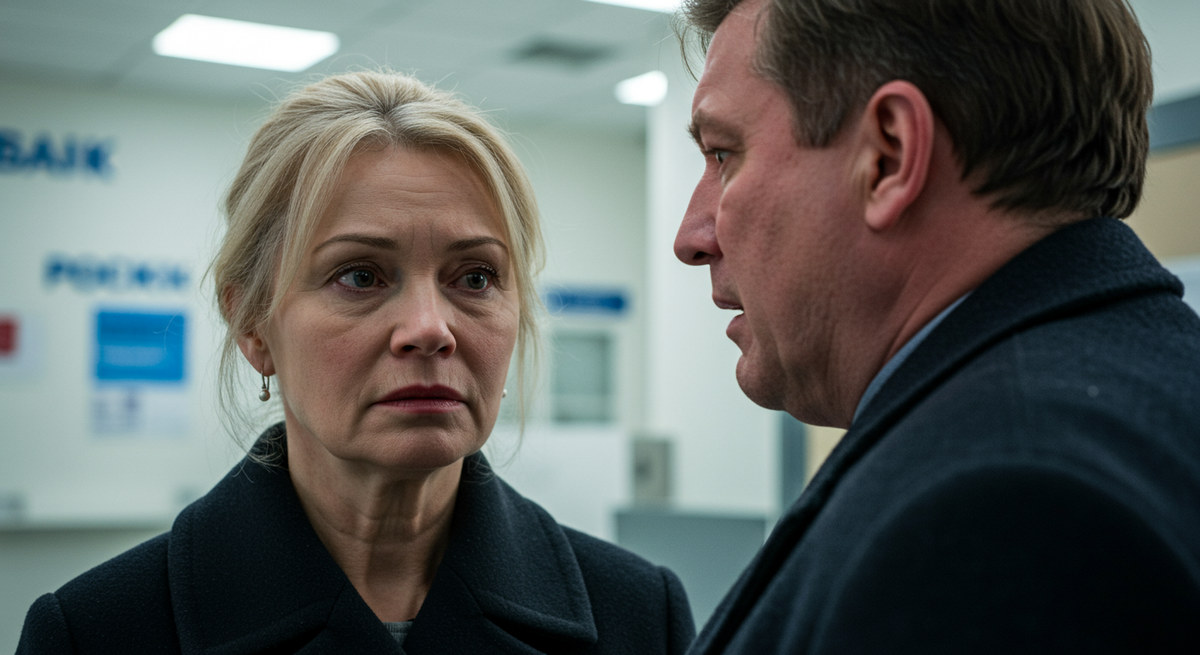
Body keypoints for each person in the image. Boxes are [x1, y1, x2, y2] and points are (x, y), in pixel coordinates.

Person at [18, 71, 695, 654]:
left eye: (476, 277)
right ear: (252, 322)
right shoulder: (95, 631)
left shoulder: (639, 615)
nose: (429, 329)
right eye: (360, 276)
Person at [672, 0, 1200, 653]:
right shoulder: (1136, 403)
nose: (691, 237)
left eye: (724, 154)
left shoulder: (1001, 510)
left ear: (889, 156)